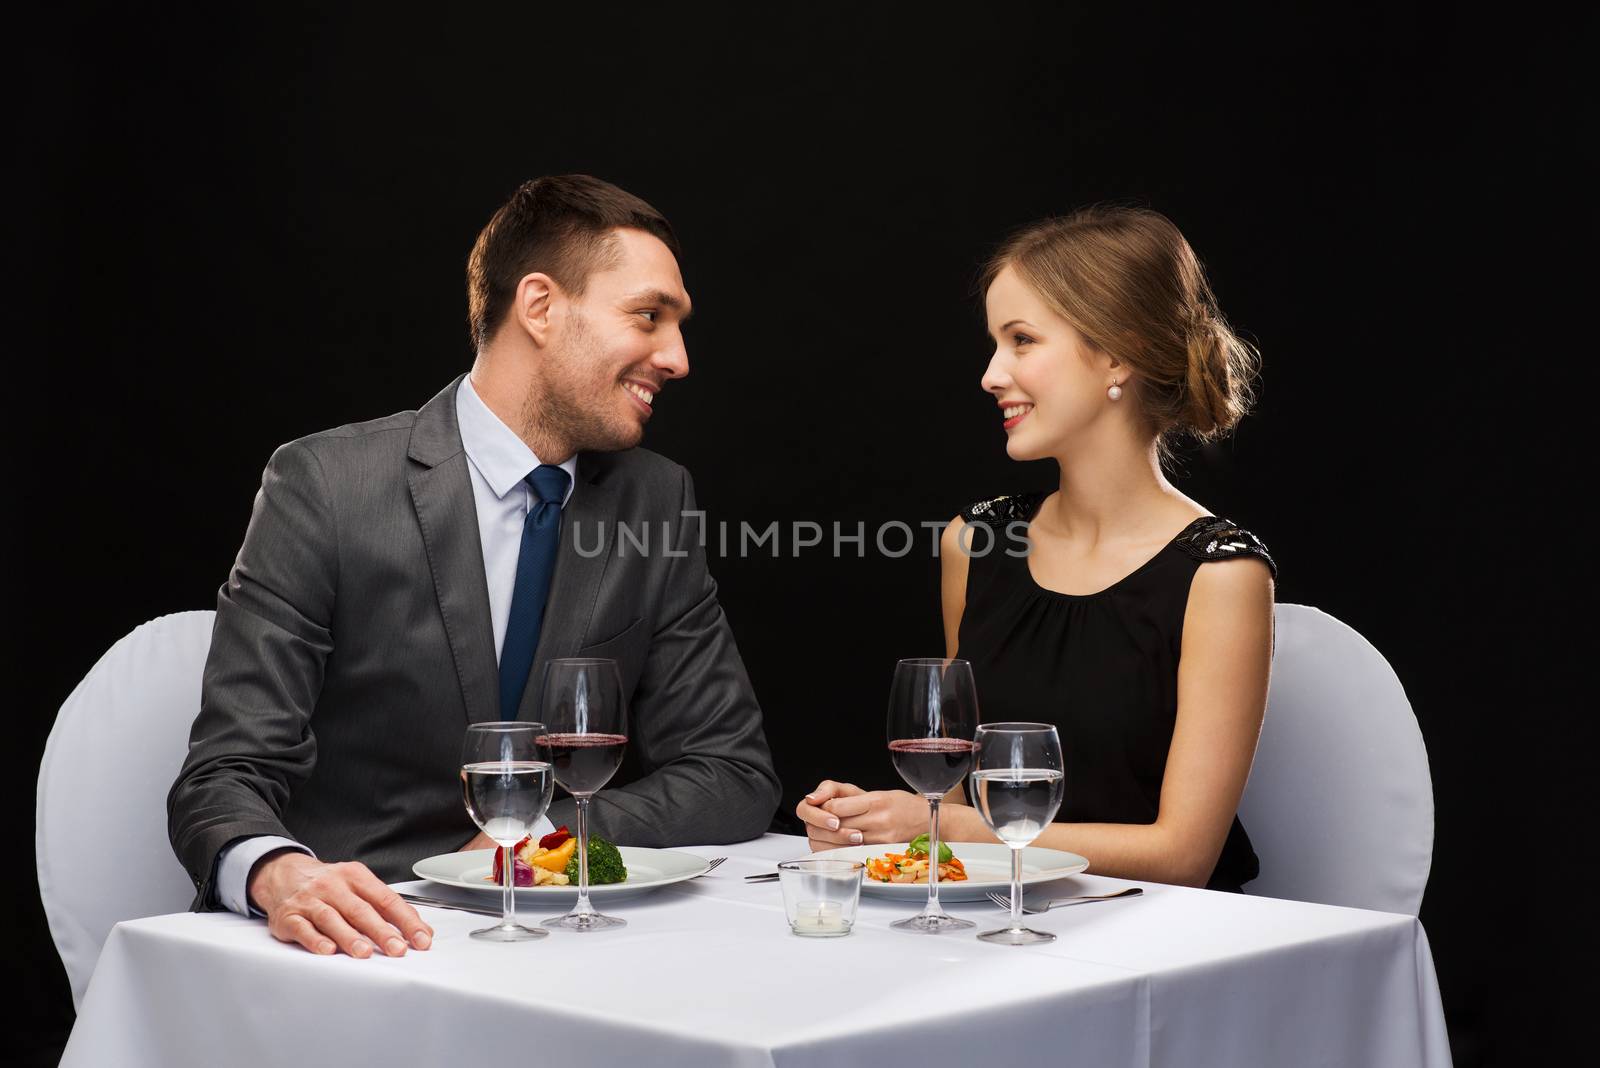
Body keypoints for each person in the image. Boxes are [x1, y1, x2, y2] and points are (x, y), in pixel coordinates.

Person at [169, 175, 781, 958]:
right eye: (649, 317)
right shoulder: (326, 486)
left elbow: (731, 771)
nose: (678, 357)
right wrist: (280, 873)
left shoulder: (654, 499)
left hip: (571, 945)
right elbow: (224, 774)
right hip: (364, 945)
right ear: (539, 307)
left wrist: (542, 838)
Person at [797, 205, 1276, 892]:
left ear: (1118, 352)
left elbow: (1183, 856)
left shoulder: (1221, 573)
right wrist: (885, 820)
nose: (991, 374)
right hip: (998, 920)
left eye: (1022, 341)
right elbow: (961, 796)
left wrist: (949, 829)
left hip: (1162, 942)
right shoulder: (976, 542)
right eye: (995, 343)